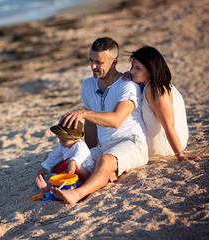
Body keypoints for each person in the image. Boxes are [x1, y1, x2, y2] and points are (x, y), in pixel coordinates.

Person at [51, 37, 148, 204]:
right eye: (91, 60)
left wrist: (84, 113)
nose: (93, 66)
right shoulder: (88, 85)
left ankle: (77, 194)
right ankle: (100, 175)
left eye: (99, 62)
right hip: (104, 146)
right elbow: (90, 125)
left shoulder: (127, 85)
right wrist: (86, 154)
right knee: (58, 160)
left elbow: (117, 119)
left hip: (132, 143)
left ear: (113, 62)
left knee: (105, 161)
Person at [128, 46, 200, 161]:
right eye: (132, 66)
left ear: (151, 71)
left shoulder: (156, 90)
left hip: (164, 147)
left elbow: (169, 124)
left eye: (138, 68)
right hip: (174, 142)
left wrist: (180, 155)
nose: (132, 71)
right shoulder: (158, 82)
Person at [35, 120, 92, 193]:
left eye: (64, 140)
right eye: (59, 139)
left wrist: (73, 161)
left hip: (85, 173)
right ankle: (47, 188)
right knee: (58, 177)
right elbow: (54, 156)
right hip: (70, 172)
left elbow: (81, 154)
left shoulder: (81, 146)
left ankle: (80, 185)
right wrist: (42, 170)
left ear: (76, 139)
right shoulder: (63, 145)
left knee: (76, 168)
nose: (60, 142)